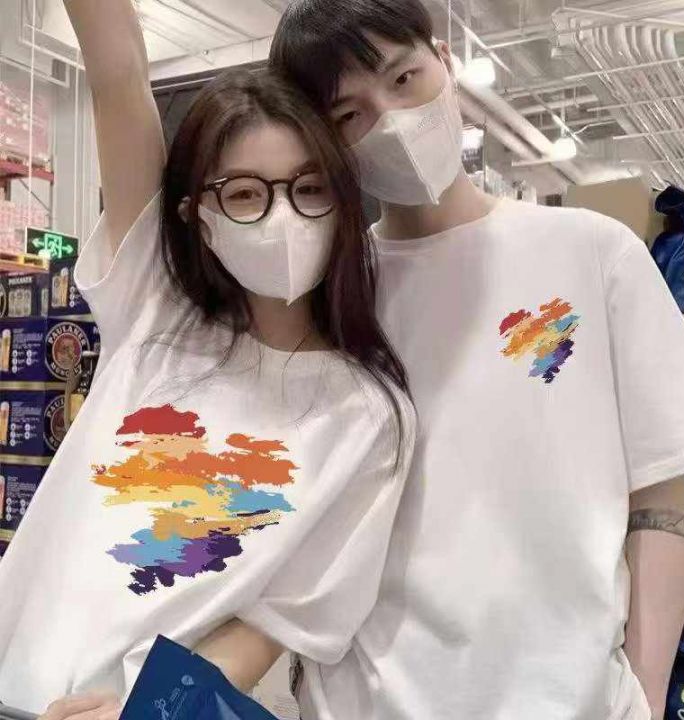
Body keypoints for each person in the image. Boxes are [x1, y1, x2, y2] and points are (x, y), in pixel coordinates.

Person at [269, 1, 684, 718]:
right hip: (364, 700)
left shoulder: (593, 252)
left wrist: (644, 688)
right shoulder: (327, 297)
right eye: (350, 114)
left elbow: (662, 499)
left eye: (404, 79)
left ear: (445, 62)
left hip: (571, 699)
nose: (392, 120)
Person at [0, 1, 416, 718]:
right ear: (198, 216)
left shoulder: (369, 415)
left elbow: (272, 624)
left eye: (310, 188)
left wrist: (147, 709)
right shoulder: (155, 309)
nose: (284, 217)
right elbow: (116, 66)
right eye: (246, 194)